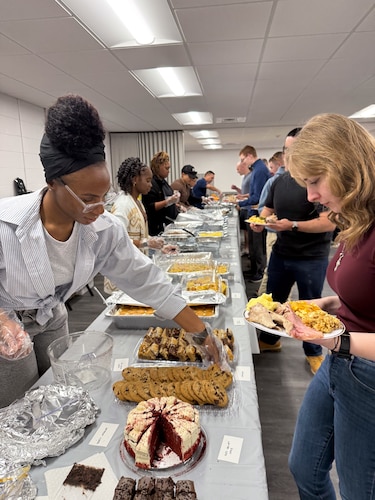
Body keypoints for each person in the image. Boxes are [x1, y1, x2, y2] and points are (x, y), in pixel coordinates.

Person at [0, 94, 222, 408]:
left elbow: (145, 278)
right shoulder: (5, 224)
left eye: (103, 196)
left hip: (51, 317)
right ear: (53, 183)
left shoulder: (103, 228)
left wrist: (199, 331)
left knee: (60, 397)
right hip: (7, 324)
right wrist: (3, 321)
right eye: (88, 197)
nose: (99, 208)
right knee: (18, 408)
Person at [285, 113, 375, 499]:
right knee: (304, 467)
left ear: (344, 167)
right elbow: (362, 292)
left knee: (359, 490)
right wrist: (324, 303)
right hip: (341, 361)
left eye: (314, 181)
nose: (311, 196)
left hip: (367, 373)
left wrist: (337, 341)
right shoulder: (356, 219)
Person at [251, 128, 335, 375]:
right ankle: (270, 340)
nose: (289, 155)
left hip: (311, 258)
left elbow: (328, 222)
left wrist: (293, 225)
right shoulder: (279, 181)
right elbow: (267, 211)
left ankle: (314, 352)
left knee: (309, 307)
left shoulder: (319, 180)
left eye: (295, 149)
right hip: (282, 253)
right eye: (287, 150)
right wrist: (259, 223)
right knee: (274, 301)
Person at [103, 157, 177, 294]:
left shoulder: (137, 202)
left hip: (134, 272)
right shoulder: (123, 205)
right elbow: (115, 241)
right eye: (148, 181)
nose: (150, 185)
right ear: (135, 179)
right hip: (122, 275)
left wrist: (158, 245)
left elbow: (140, 235)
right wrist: (145, 243)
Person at [238, 146, 271, 282]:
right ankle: (254, 270)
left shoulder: (259, 170)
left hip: (258, 213)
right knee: (253, 244)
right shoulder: (257, 169)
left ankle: (258, 272)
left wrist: (239, 204)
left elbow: (257, 197)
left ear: (250, 155)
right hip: (254, 211)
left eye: (242, 159)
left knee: (257, 246)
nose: (242, 163)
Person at [257, 151, 285, 295]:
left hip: (294, 238)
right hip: (275, 235)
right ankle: (261, 304)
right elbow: (263, 208)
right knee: (272, 271)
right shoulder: (273, 182)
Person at [142, 151, 180, 235]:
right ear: (157, 167)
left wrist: (175, 203)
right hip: (157, 227)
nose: (168, 171)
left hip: (168, 224)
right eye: (166, 168)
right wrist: (168, 202)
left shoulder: (163, 181)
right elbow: (150, 206)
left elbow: (165, 198)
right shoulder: (151, 184)